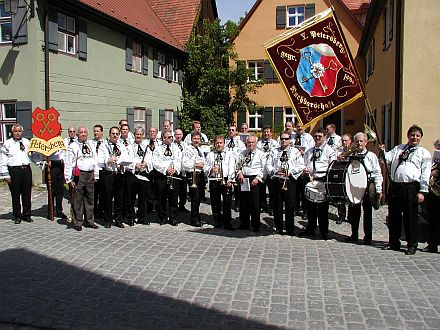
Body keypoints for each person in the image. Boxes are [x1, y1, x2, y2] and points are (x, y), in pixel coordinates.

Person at [382, 124, 431, 255]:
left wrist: (423, 191)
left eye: (417, 135)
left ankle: (412, 244)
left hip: (411, 187)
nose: (414, 137)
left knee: (410, 217)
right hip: (395, 186)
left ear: (420, 138)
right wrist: (382, 151)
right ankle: (393, 243)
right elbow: (386, 159)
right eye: (412, 135)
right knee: (394, 216)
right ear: (408, 136)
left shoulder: (423, 153)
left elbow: (426, 172)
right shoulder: (399, 148)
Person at [345, 132, 383, 245]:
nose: (359, 143)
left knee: (367, 212)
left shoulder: (371, 156)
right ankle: (354, 234)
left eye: (361, 141)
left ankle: (368, 237)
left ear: (366, 142)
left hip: (367, 185)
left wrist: (378, 189)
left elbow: (377, 173)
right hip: (354, 186)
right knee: (354, 212)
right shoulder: (351, 155)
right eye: (357, 141)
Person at [300, 128, 336, 240]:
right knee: (310, 208)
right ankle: (310, 229)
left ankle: (323, 231)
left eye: (320, 136)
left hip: (322, 181)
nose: (317, 138)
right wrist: (305, 169)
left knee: (323, 209)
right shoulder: (309, 151)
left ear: (325, 137)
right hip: (310, 180)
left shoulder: (330, 151)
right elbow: (304, 163)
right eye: (315, 136)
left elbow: (332, 166)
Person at [266, 131, 305, 235]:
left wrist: (291, 172)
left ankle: (290, 228)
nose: (284, 141)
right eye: (282, 139)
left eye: (286, 139)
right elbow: (268, 164)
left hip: (290, 181)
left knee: (290, 205)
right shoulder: (274, 151)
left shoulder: (295, 151)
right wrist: (274, 171)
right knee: (277, 205)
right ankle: (278, 227)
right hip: (277, 180)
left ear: (290, 140)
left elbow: (301, 165)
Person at [64, 126, 100, 231]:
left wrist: (96, 174)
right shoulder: (73, 146)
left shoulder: (91, 144)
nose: (83, 134)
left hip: (90, 174)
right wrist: (69, 179)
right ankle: (78, 222)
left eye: (85, 132)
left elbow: (95, 160)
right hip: (79, 175)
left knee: (90, 199)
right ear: (77, 134)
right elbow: (69, 162)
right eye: (81, 132)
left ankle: (89, 221)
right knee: (77, 199)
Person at [0, 124, 33, 224]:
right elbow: (3, 159)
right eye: (16, 131)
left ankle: (27, 215)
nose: (18, 133)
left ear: (22, 132)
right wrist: (5, 174)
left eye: (19, 131)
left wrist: (43, 163)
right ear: (12, 132)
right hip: (14, 171)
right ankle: (17, 215)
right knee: (15, 194)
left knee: (27, 194)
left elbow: (33, 156)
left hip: (26, 169)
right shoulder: (8, 143)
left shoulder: (27, 142)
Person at [101, 127, 132, 228]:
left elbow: (126, 157)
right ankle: (108, 220)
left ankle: (118, 219)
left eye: (117, 134)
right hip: (108, 174)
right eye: (113, 134)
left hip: (119, 173)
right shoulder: (104, 145)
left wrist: (121, 162)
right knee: (107, 198)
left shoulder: (121, 146)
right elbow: (99, 158)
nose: (115, 135)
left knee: (119, 198)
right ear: (109, 134)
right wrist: (108, 159)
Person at [236, 135, 267, 233]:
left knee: (255, 204)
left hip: (255, 179)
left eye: (252, 142)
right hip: (244, 179)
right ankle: (244, 223)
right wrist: (239, 173)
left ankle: (256, 224)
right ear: (246, 143)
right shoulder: (242, 153)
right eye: (249, 142)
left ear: (256, 143)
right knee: (244, 203)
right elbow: (238, 165)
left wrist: (258, 178)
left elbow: (264, 168)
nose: (250, 144)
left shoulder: (261, 154)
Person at [205, 135, 236, 230]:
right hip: (214, 180)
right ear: (214, 144)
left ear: (224, 144)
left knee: (227, 202)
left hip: (226, 180)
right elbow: (205, 166)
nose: (219, 145)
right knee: (215, 202)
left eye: (221, 143)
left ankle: (227, 222)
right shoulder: (210, 155)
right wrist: (211, 169)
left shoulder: (229, 154)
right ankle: (218, 220)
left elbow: (232, 167)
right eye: (217, 143)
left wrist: (230, 180)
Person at [153, 130, 182, 226]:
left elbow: (179, 160)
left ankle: (173, 217)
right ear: (163, 138)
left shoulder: (176, 148)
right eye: (169, 137)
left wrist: (175, 169)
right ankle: (163, 217)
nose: (171, 139)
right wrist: (166, 169)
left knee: (173, 197)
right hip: (162, 176)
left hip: (174, 175)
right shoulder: (158, 149)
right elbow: (156, 162)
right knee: (161, 197)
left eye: (171, 137)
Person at [182, 131, 206, 227]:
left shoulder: (199, 149)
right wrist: (196, 164)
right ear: (191, 139)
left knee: (199, 197)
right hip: (192, 174)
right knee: (195, 197)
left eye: (198, 139)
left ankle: (197, 215)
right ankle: (194, 219)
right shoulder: (188, 149)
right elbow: (184, 164)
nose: (196, 140)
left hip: (200, 174)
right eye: (195, 139)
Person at [292, 123, 314, 218]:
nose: (299, 128)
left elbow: (312, 151)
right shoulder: (293, 137)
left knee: (304, 190)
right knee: (295, 190)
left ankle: (305, 211)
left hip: (304, 166)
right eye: (298, 126)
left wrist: (303, 152)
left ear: (304, 127)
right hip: (295, 166)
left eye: (301, 126)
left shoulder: (308, 137)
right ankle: (296, 208)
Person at [256, 126, 278, 215]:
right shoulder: (259, 143)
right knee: (261, 189)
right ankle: (263, 205)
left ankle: (272, 207)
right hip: (261, 169)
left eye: (268, 132)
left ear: (271, 133)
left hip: (271, 169)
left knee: (272, 190)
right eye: (265, 132)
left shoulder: (275, 143)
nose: (266, 133)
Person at [424, 138, 440, 253]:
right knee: (433, 219)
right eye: (438, 146)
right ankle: (432, 244)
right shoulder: (433, 159)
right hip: (434, 193)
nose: (438, 148)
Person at [119, 123, 136, 225]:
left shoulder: (132, 142)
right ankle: (121, 215)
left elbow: (133, 156)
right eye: (123, 129)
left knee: (130, 196)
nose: (124, 131)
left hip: (129, 171)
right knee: (121, 195)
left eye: (126, 129)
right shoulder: (118, 141)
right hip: (120, 171)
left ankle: (130, 216)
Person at [89, 124, 106, 219]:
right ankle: (93, 212)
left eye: (98, 131)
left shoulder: (105, 143)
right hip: (93, 171)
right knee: (93, 194)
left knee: (103, 193)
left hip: (102, 170)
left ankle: (101, 211)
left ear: (102, 132)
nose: (96, 133)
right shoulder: (90, 143)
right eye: (95, 131)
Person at [335, 133, 353, 224]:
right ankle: (341, 215)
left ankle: (350, 216)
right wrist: (338, 158)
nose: (344, 142)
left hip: (350, 175)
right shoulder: (339, 150)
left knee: (350, 195)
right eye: (343, 141)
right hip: (341, 174)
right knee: (341, 196)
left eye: (346, 140)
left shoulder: (353, 150)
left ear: (350, 141)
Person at [173, 128, 189, 212]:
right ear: (174, 135)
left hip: (184, 171)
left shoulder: (186, 146)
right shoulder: (172, 145)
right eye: (177, 134)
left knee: (183, 189)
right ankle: (174, 206)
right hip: (175, 171)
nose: (178, 136)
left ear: (182, 135)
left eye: (180, 134)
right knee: (175, 190)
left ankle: (182, 205)